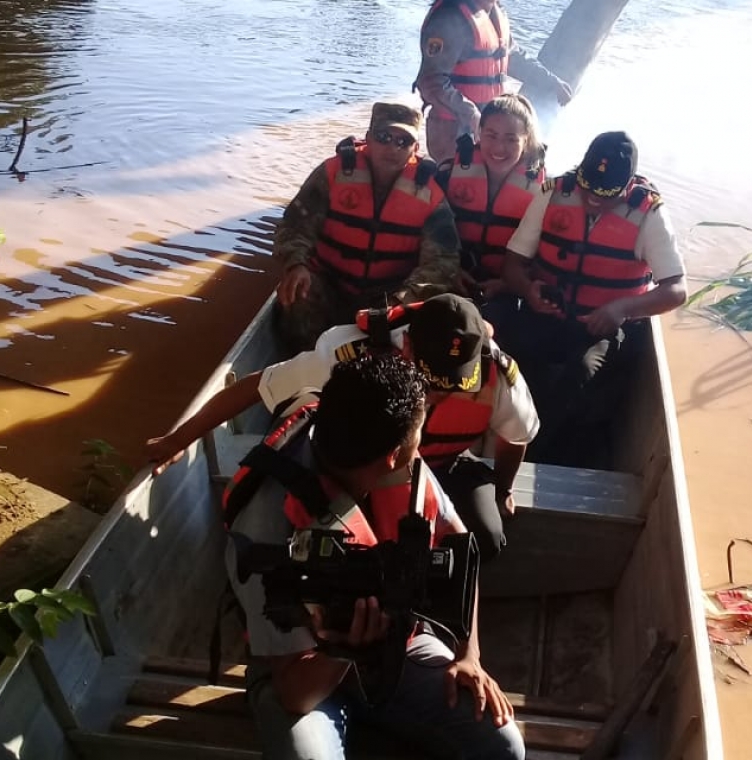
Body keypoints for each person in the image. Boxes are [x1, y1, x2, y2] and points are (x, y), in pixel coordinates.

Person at [223, 352, 523, 760]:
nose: (420, 449)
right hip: (308, 668)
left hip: (403, 646)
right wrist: (345, 649)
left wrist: (469, 655)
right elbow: (294, 694)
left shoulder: (397, 463)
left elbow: (460, 546)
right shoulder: (264, 527)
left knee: (503, 745)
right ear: (393, 456)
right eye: (418, 439)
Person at [146, 294, 539, 561]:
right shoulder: (351, 353)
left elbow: (516, 435)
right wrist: (178, 439)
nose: (436, 395)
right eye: (429, 380)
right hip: (364, 467)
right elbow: (260, 385)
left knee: (484, 538)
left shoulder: (498, 375)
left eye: (450, 385)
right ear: (407, 348)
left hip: (443, 464)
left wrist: (503, 488)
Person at [501, 131, 687, 467]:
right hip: (547, 313)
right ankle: (507, 435)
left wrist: (622, 308)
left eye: (606, 194)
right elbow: (513, 263)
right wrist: (529, 290)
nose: (594, 199)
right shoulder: (554, 193)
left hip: (601, 327)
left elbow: (676, 290)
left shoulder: (649, 214)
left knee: (581, 373)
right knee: (502, 351)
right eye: (589, 188)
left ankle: (544, 453)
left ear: (628, 185)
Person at [272, 102, 461, 354]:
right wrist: (296, 264)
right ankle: (300, 366)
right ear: (368, 139)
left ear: (415, 149)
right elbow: (294, 226)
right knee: (297, 293)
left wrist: (400, 301)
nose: (392, 147)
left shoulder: (431, 197)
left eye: (403, 141)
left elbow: (442, 263)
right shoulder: (332, 173)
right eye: (384, 137)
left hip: (388, 297)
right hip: (329, 285)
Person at [436, 94, 545, 341]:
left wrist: (508, 284)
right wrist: (448, 270)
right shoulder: (449, 173)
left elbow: (550, 256)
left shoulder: (544, 192)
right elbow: (426, 232)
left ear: (526, 141)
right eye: (491, 136)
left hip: (507, 291)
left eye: (510, 139)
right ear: (478, 133)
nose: (498, 148)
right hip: (450, 278)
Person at [414, 0, 573, 164]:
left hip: (489, 127)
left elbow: (512, 57)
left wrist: (551, 82)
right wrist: (471, 115)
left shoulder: (496, 11)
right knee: (456, 185)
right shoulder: (450, 18)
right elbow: (431, 82)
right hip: (452, 131)